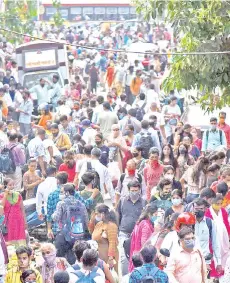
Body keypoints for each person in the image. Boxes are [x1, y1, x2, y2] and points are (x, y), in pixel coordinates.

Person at [52, 183, 89, 264]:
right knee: (76, 258)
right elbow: (86, 220)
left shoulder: (61, 203)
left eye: (62, 192)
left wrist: (53, 214)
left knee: (60, 259)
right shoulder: (81, 204)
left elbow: (56, 218)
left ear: (67, 193)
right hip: (78, 236)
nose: (60, 194)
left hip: (63, 235)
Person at [116, 180, 146, 276]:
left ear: (139, 190)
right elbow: (118, 215)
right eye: (132, 190)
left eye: (136, 190)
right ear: (128, 190)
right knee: (124, 259)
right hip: (124, 233)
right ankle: (126, 278)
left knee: (138, 258)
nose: (134, 192)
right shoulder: (122, 201)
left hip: (138, 235)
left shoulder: (144, 203)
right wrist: (117, 230)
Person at [193, 198, 222, 276]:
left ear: (205, 209)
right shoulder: (189, 222)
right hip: (190, 261)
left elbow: (215, 243)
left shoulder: (210, 223)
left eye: (201, 209)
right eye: (196, 209)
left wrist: (219, 262)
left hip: (206, 261)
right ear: (193, 208)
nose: (198, 211)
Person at [205, 195, 230, 279]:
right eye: (217, 203)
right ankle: (213, 276)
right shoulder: (207, 212)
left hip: (223, 238)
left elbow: (226, 224)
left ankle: (221, 274)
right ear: (212, 202)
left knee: (224, 254)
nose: (219, 205)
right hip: (212, 239)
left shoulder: (223, 211)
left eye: (220, 203)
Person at [128, 203, 158, 272]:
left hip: (136, 253)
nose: (156, 217)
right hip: (142, 257)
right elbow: (144, 243)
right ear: (149, 214)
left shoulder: (140, 222)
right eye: (155, 215)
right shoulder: (146, 225)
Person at [91, 204, 119, 272]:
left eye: (97, 213)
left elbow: (112, 243)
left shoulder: (111, 226)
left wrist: (111, 258)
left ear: (102, 214)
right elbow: (92, 233)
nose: (96, 215)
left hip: (108, 258)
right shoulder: (99, 224)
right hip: (99, 257)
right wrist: (92, 220)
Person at [0, 178, 27, 246]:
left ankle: (21, 253)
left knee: (20, 239)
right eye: (10, 185)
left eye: (13, 185)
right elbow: (1, 206)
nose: (12, 187)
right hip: (8, 222)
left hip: (19, 221)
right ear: (5, 186)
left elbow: (22, 209)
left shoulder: (18, 195)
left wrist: (25, 221)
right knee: (9, 240)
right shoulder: (1, 196)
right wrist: (5, 194)